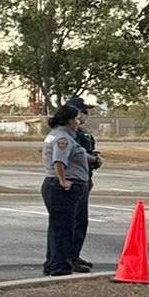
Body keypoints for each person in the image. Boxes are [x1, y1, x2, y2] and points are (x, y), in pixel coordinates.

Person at [41, 103, 87, 276]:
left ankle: (52, 263)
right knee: (64, 228)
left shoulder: (55, 135)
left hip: (52, 185)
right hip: (62, 188)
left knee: (57, 227)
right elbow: (59, 161)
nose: (78, 121)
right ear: (68, 120)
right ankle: (60, 265)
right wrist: (63, 181)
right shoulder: (63, 139)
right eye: (76, 118)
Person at [65, 98, 101, 270]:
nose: (86, 115)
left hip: (85, 178)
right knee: (72, 221)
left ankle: (74, 255)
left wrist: (95, 158)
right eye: (84, 111)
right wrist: (93, 159)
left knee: (81, 221)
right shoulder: (69, 134)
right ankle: (68, 258)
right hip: (74, 180)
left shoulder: (84, 133)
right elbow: (75, 155)